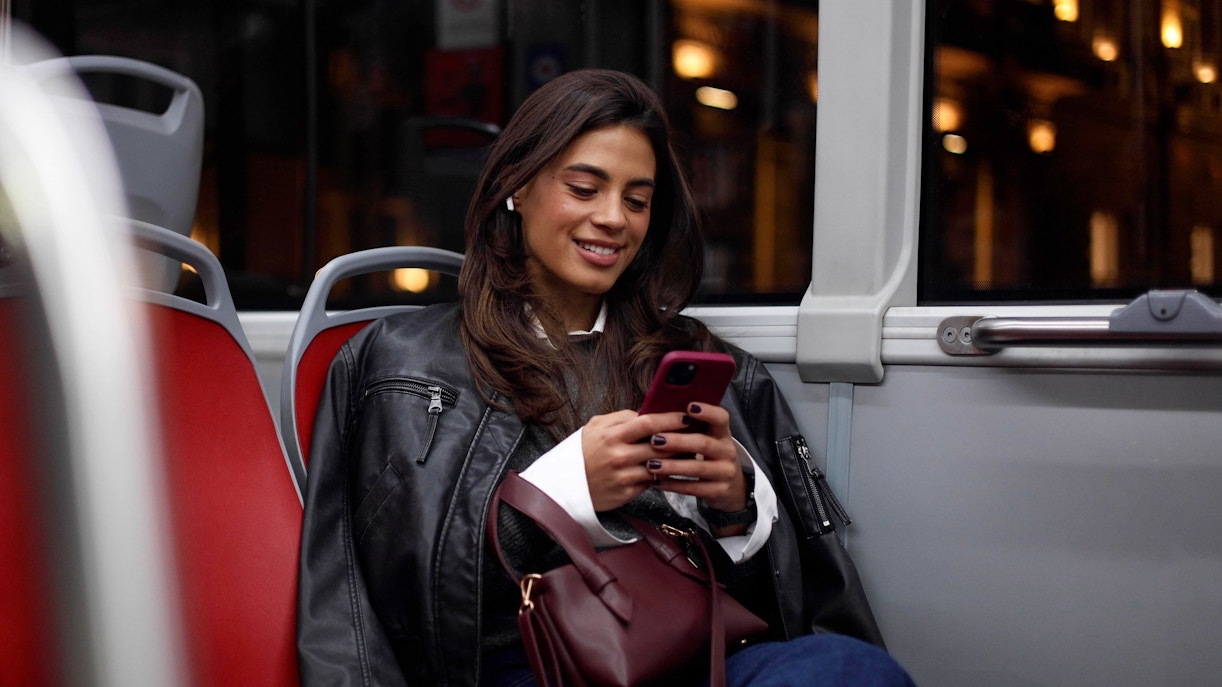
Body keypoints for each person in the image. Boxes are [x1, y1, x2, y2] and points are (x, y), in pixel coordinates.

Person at [297, 69, 915, 687]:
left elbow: (781, 605)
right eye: (585, 188)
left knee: (851, 668)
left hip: (685, 647)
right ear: (516, 186)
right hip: (523, 663)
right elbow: (388, 588)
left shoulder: (709, 365)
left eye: (637, 200)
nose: (614, 219)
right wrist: (564, 493)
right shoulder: (406, 363)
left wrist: (734, 508)